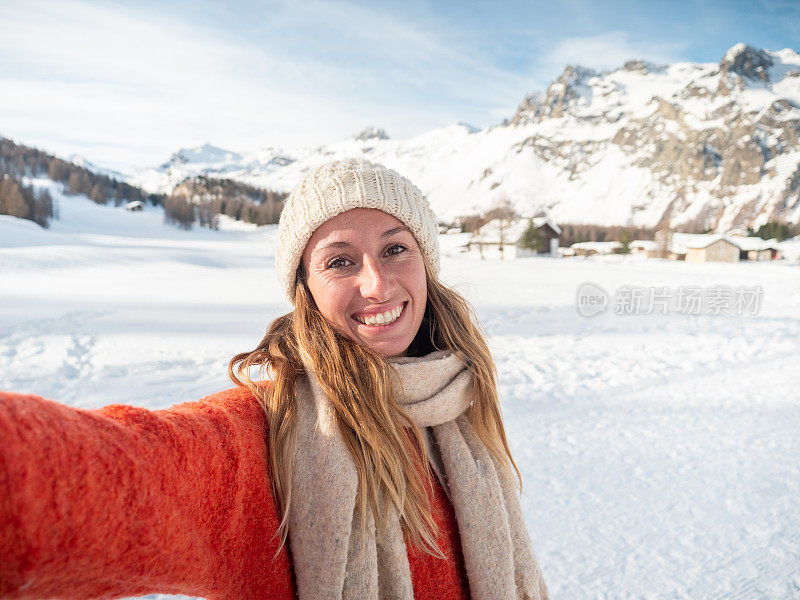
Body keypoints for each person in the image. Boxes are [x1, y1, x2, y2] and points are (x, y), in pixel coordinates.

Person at [0, 158, 548, 600]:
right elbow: (109, 473)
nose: (377, 284)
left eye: (395, 249)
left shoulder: (461, 401)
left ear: (425, 261)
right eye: (339, 262)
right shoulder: (268, 435)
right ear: (304, 288)